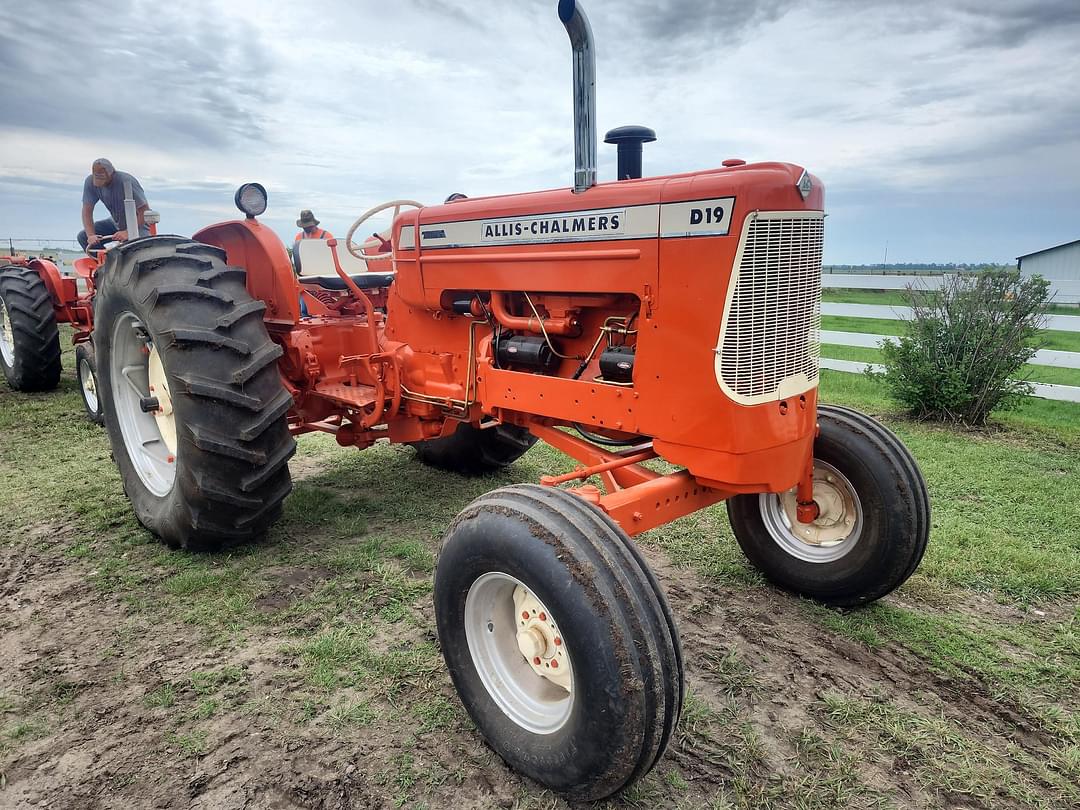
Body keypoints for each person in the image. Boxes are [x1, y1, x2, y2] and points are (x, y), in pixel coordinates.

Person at [78, 158, 151, 251]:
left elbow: (145, 211)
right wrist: (91, 235)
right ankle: (104, 262)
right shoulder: (90, 182)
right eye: (97, 178)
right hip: (115, 222)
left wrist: (128, 232)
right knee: (83, 237)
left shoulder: (126, 181)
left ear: (111, 173)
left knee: (134, 249)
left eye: (102, 178)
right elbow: (87, 211)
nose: (100, 183)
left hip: (138, 223)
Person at [292, 210, 333, 275]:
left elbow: (331, 258)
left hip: (323, 272)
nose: (307, 228)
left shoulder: (326, 236)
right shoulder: (298, 238)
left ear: (314, 224)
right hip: (305, 274)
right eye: (305, 227)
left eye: (309, 227)